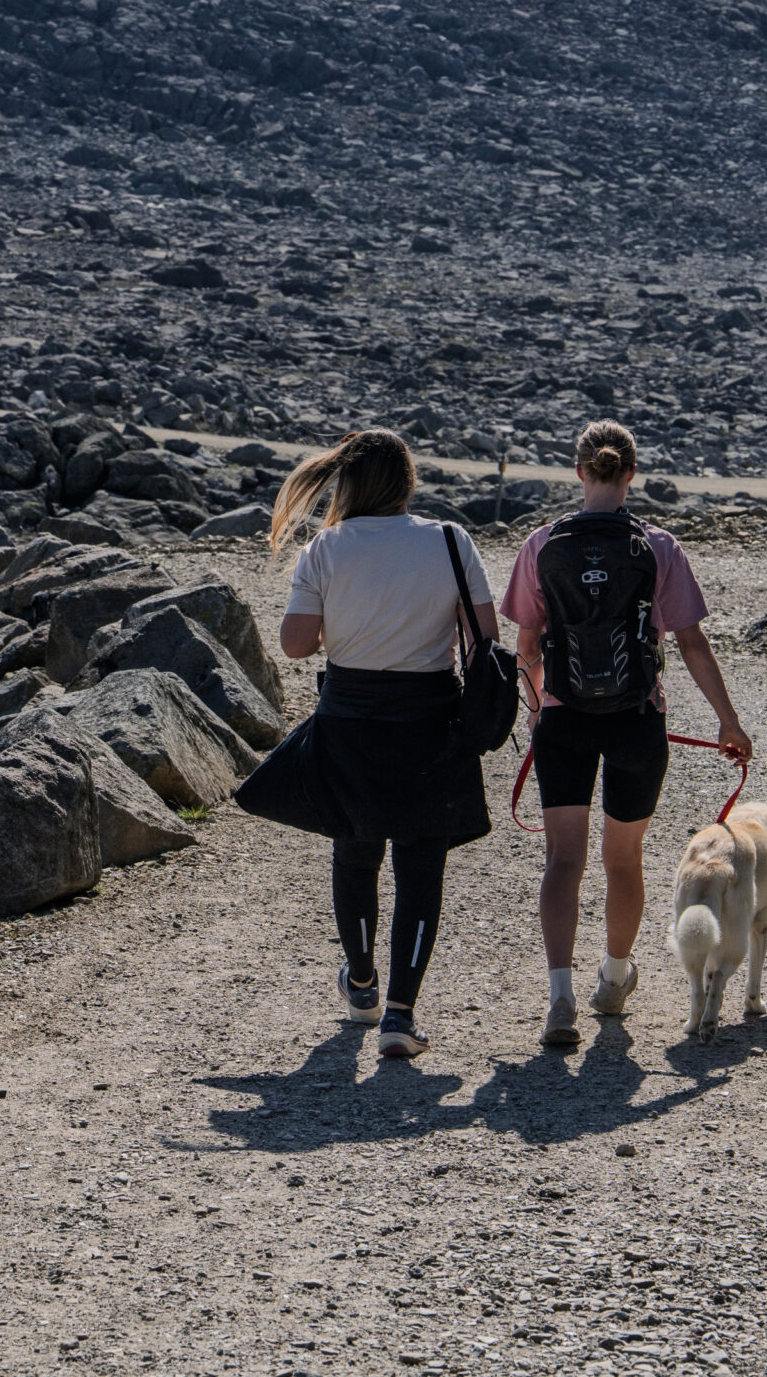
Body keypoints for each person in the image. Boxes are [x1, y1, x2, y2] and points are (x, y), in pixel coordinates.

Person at [503, 420, 751, 1049]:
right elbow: (691, 642)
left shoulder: (541, 545)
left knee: (563, 859)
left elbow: (526, 646)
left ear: (579, 472)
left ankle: (560, 1000)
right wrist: (728, 721)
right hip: (638, 720)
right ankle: (614, 979)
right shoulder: (658, 546)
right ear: (631, 474)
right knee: (624, 859)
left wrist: (538, 709)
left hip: (562, 718)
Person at [273, 429, 500, 1060]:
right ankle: (401, 1015)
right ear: (408, 483)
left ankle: (363, 985)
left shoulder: (325, 548)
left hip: (349, 718)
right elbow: (487, 637)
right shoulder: (452, 541)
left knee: (356, 855)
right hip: (430, 718)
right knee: (420, 867)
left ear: (346, 483)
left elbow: (295, 644)